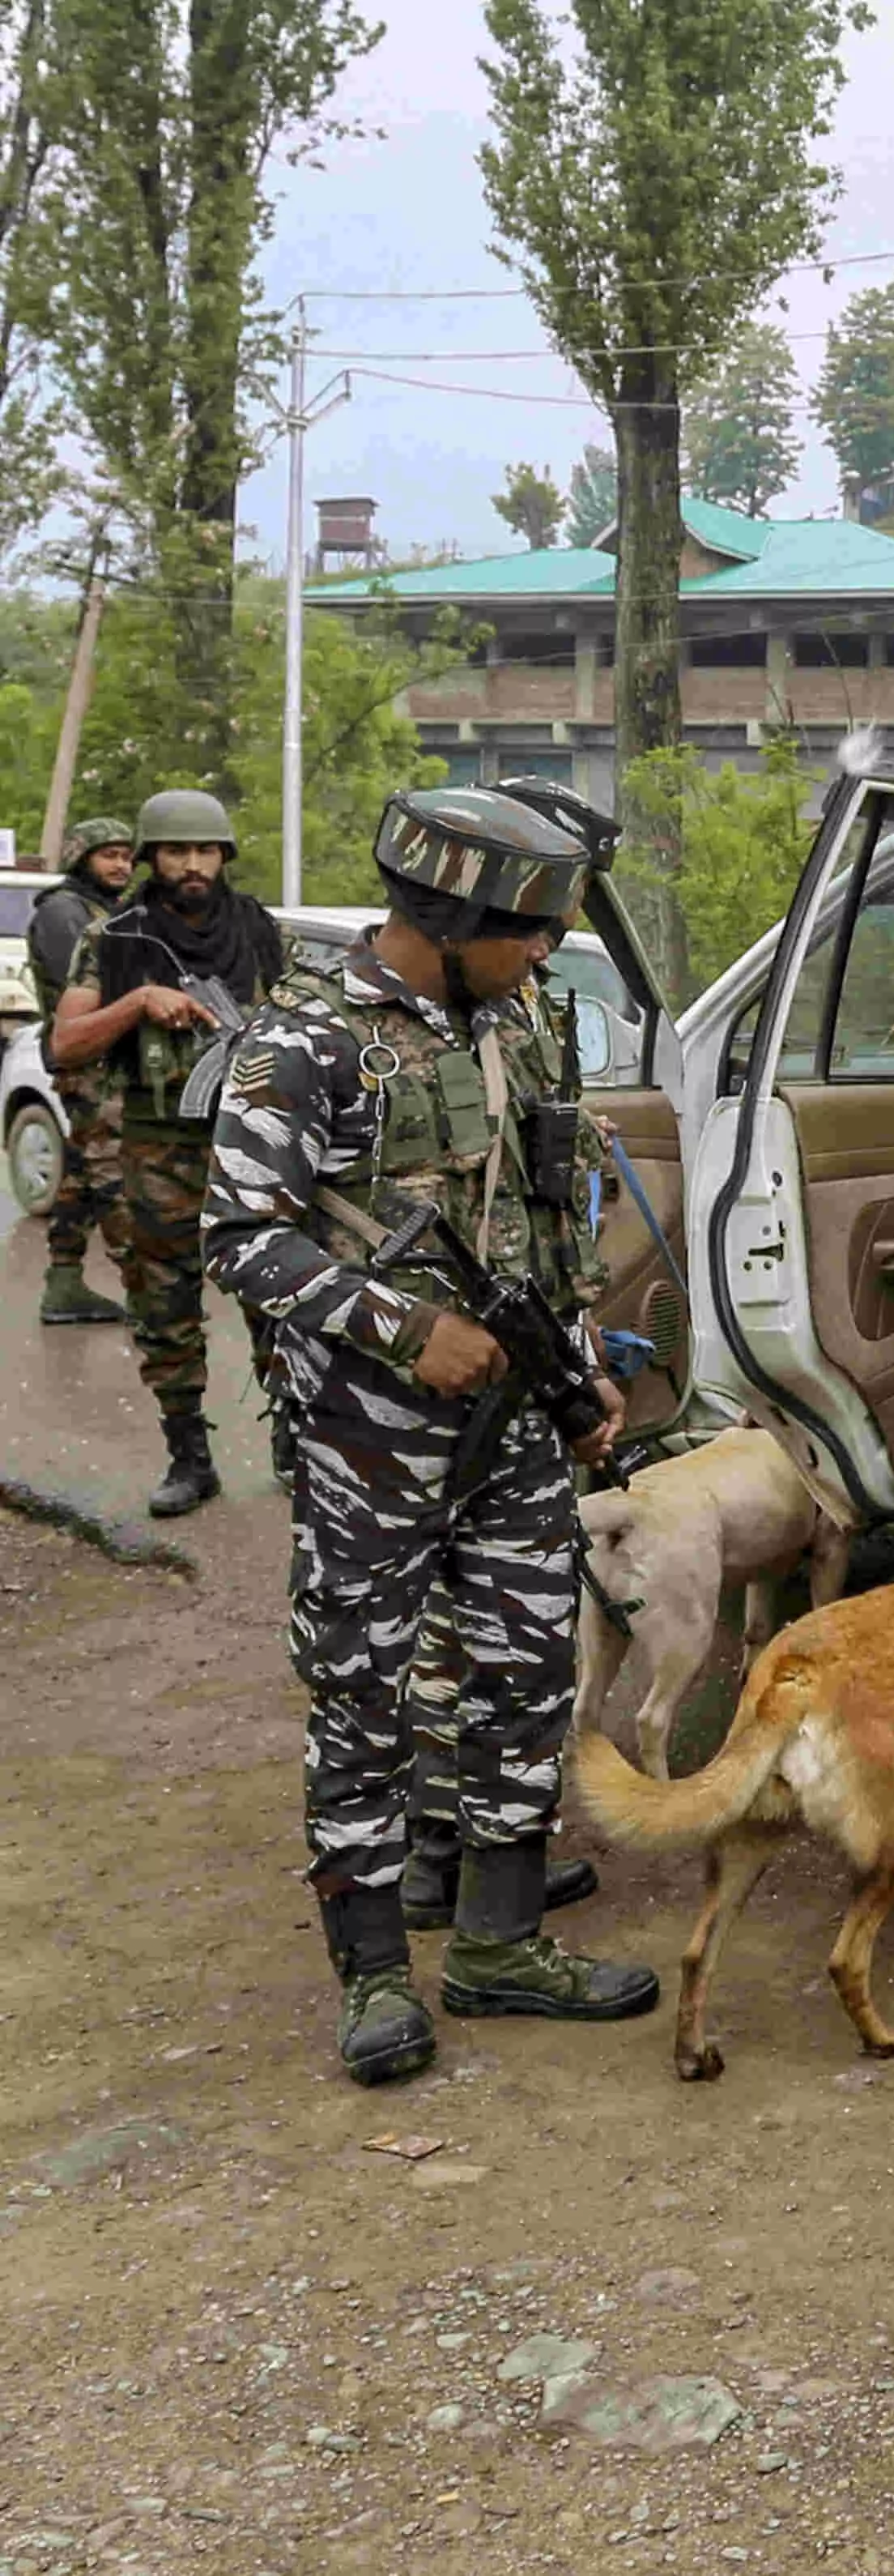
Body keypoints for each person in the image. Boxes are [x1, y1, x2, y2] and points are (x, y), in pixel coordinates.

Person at [202, 787, 656, 2086]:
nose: (543, 951)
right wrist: (405, 1330)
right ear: (451, 918)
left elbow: (541, 1219)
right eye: (529, 931)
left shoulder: (516, 1020)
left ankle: (501, 1947)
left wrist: (576, 1367)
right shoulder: (304, 1044)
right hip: (373, 1434)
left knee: (525, 1670)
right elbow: (242, 1237)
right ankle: (373, 1977)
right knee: (363, 1692)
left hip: (515, 1417)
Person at [49, 788, 287, 1517]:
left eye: (204, 851)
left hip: (251, 1147)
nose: (192, 865)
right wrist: (137, 1002)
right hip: (157, 1150)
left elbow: (309, 1020)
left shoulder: (258, 930)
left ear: (224, 856)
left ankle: (297, 1444)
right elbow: (64, 1046)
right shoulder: (114, 938)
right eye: (176, 852)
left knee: (279, 1302)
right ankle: (190, 1456)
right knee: (166, 1310)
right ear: (152, 858)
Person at [27, 813, 138, 1327]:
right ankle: (150, 1299)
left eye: (125, 855)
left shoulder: (107, 908)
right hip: (90, 1060)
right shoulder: (63, 911)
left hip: (109, 1056)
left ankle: (64, 1285)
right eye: (108, 855)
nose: (122, 864)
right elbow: (88, 978)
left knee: (80, 1173)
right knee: (116, 1173)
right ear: (81, 858)